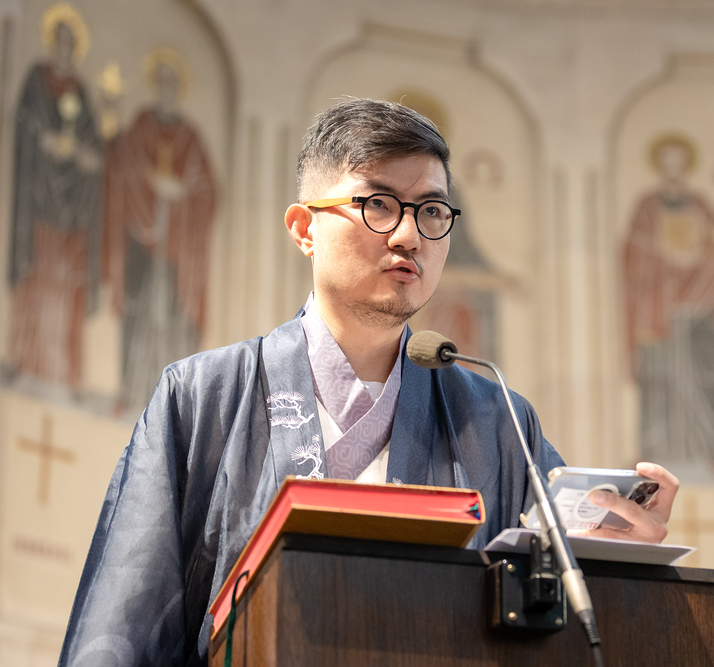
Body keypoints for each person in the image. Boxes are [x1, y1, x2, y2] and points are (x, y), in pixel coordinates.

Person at [60, 99, 679, 666]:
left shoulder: (497, 421)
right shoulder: (204, 398)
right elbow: (121, 631)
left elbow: (565, 618)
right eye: (377, 204)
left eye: (431, 211)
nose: (409, 235)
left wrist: (617, 554)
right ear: (304, 228)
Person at [102, 48, 217, 411]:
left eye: (172, 82)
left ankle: (170, 405)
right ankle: (131, 390)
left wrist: (180, 194)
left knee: (172, 316)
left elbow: (209, 190)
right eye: (161, 81)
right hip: (140, 242)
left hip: (176, 252)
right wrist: (151, 184)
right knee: (136, 312)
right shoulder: (141, 126)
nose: (167, 88)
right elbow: (122, 165)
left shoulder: (190, 137)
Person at [7, 4, 103, 390]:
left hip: (71, 211)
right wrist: (43, 141)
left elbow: (94, 150)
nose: (64, 49)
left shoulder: (81, 92)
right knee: (38, 277)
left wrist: (82, 155)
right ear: (51, 43)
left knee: (65, 284)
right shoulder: (36, 80)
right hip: (39, 204)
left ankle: (62, 370)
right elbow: (24, 124)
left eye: (70, 43)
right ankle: (26, 360)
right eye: (59, 41)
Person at [622, 134, 714, 471]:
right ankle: (655, 456)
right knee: (660, 384)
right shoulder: (647, 207)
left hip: (699, 311)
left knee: (702, 381)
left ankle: (710, 451)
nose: (673, 171)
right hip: (657, 312)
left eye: (679, 164)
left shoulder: (701, 206)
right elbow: (634, 255)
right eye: (667, 164)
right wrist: (666, 266)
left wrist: (697, 274)